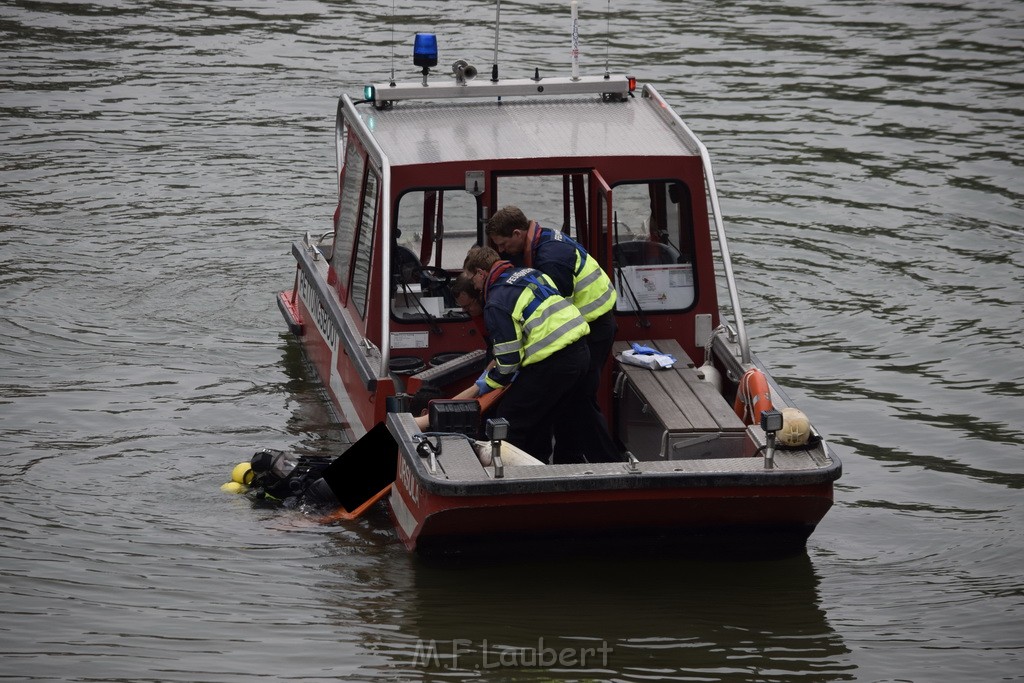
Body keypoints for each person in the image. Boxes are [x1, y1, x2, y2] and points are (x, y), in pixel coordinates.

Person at [486, 205, 620, 463]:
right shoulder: (541, 242)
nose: (501, 251)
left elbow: (558, 314)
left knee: (581, 401)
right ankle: (566, 461)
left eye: (503, 244)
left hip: (592, 330)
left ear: (517, 233)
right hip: (586, 328)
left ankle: (609, 464)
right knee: (569, 401)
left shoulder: (551, 259)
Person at [462, 245, 592, 462]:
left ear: (480, 273)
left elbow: (509, 360)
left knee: (508, 422)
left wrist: (486, 385)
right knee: (552, 422)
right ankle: (549, 474)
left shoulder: (496, 301)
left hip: (553, 362)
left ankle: (507, 485)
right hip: (581, 353)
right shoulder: (533, 274)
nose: (474, 285)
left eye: (472, 278)